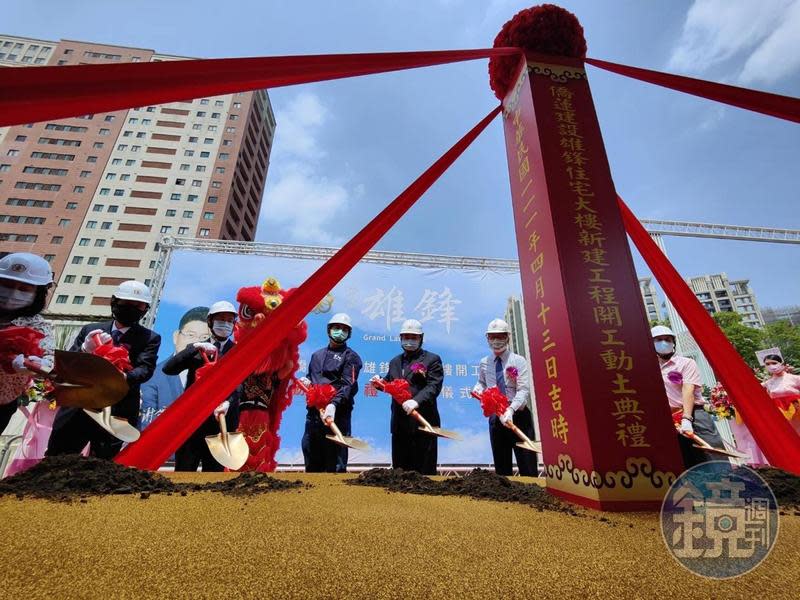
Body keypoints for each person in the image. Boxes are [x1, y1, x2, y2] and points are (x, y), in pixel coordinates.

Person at [47, 280, 160, 459]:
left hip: (117, 410)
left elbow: (145, 369)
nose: (131, 308)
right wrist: (85, 349)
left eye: (138, 305)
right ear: (114, 302)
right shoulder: (91, 330)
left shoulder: (149, 338)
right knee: (58, 457)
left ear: (145, 309)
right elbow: (67, 366)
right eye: (126, 303)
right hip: (80, 404)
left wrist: (122, 376)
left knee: (102, 463)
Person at [164, 301, 240, 471]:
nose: (225, 324)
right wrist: (194, 349)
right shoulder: (196, 349)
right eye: (221, 319)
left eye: (229, 320)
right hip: (192, 422)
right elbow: (169, 369)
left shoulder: (238, 351)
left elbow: (240, 384)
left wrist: (228, 401)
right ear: (210, 322)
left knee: (213, 475)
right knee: (184, 470)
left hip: (221, 424)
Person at [376, 319, 443, 475]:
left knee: (425, 474)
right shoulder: (395, 362)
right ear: (401, 338)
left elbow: (434, 386)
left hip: (423, 423)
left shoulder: (432, 359)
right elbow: (390, 382)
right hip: (400, 424)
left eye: (414, 337)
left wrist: (416, 401)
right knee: (400, 473)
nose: (409, 341)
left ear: (421, 338)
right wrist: (379, 383)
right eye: (406, 337)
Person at [652, 325, 724, 467]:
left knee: (712, 457)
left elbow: (688, 390)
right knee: (684, 461)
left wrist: (686, 418)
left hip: (694, 415)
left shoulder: (686, 363)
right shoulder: (649, 367)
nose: (664, 343)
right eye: (659, 339)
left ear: (673, 343)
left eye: (667, 339)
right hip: (670, 420)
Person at [472, 318, 537, 476]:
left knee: (527, 464)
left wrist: (511, 409)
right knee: (502, 467)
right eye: (492, 337)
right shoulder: (484, 362)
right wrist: (478, 388)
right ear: (487, 338)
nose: (496, 341)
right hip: (496, 417)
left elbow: (523, 390)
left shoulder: (518, 361)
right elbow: (481, 382)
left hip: (518, 416)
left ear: (507, 337)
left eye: (500, 336)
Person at [299, 313, 362, 473]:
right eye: (336, 328)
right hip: (314, 417)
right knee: (311, 456)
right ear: (329, 330)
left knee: (335, 464)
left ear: (349, 334)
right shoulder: (316, 355)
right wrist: (307, 381)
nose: (339, 332)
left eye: (344, 329)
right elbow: (313, 377)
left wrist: (333, 405)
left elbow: (349, 385)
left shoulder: (351, 357)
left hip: (336, 416)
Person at [0, 253, 55, 434]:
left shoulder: (40, 326)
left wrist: (34, 364)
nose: (13, 293)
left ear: (38, 293)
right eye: (6, 286)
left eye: (24, 289)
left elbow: (49, 360)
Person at [139, 306, 210, 430]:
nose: (196, 343)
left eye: (204, 338)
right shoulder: (153, 375)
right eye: (190, 335)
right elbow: (146, 421)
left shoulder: (213, 377)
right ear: (176, 337)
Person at [761, 353, 800, 436]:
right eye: (767, 364)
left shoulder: (795, 378)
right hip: (779, 413)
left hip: (797, 410)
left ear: (782, 364)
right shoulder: (767, 383)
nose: (771, 366)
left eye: (774, 363)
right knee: (788, 436)